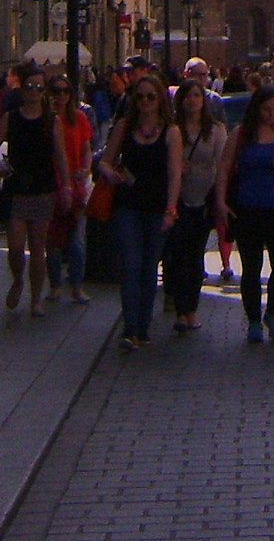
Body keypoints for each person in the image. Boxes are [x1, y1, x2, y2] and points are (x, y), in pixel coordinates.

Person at [98, 74, 181, 349]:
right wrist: (113, 174)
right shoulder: (125, 126)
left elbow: (174, 174)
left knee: (148, 269)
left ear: (160, 100)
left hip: (157, 207)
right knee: (131, 266)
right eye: (140, 96)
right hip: (128, 205)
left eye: (150, 96)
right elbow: (104, 162)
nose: (145, 101)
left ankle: (143, 327)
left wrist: (171, 209)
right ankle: (129, 329)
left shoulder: (171, 131)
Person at [216, 86, 274, 343]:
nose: (271, 114)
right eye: (266, 109)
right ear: (256, 108)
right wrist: (221, 202)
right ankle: (254, 319)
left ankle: (273, 312)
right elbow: (223, 168)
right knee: (251, 268)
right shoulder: (241, 134)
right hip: (248, 209)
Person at [0, 62, 68, 317]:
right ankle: (17, 279)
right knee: (15, 247)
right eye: (29, 87)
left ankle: (36, 299)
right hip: (17, 187)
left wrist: (66, 185)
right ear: (22, 89)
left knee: (38, 248)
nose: (34, 91)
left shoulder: (51, 120)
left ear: (44, 91)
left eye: (39, 87)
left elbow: (60, 154)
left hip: (43, 187)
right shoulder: (11, 118)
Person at [166, 78, 226, 334]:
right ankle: (181, 310)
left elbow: (222, 164)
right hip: (178, 198)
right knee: (177, 254)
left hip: (204, 198)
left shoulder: (215, 130)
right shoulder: (173, 129)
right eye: (187, 96)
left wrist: (220, 199)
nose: (192, 101)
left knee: (195, 254)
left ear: (204, 100)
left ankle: (192, 309)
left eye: (196, 96)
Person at [45, 74, 95, 305]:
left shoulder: (80, 118)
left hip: (75, 185)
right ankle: (55, 284)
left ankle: (76, 285)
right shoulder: (45, 119)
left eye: (65, 91)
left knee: (76, 240)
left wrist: (86, 169)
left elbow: (86, 148)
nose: (61, 96)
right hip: (49, 185)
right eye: (56, 91)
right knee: (53, 241)